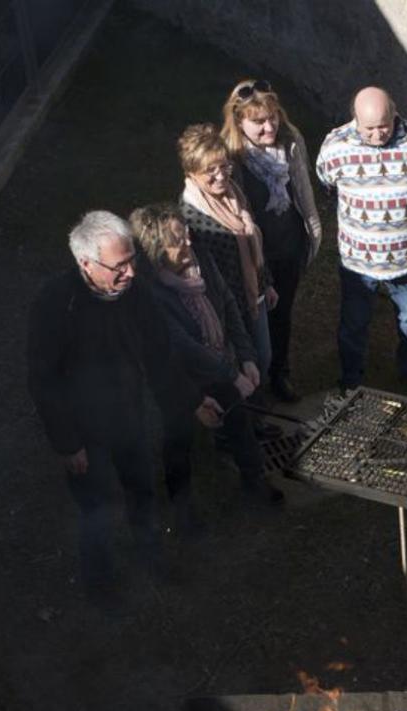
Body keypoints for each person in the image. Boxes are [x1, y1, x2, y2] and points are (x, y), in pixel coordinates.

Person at [27, 211, 220, 606]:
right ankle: (102, 587)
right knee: (95, 510)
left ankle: (151, 557)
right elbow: (43, 380)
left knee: (141, 491)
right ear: (86, 263)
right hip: (83, 430)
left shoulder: (136, 293)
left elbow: (160, 355)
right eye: (120, 265)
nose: (131, 272)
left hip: (128, 416)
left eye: (132, 260)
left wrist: (193, 399)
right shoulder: (55, 304)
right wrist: (67, 443)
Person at [130, 203, 284, 533]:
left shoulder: (199, 256)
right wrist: (232, 376)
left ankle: (253, 480)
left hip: (220, 361)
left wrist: (245, 357)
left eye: (186, 234)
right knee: (178, 438)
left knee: (238, 417)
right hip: (177, 376)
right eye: (177, 240)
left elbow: (227, 302)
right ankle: (182, 508)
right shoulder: (149, 292)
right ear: (156, 250)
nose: (188, 242)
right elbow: (181, 345)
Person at [315, 86, 407, 395]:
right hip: (359, 260)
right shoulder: (335, 147)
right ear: (355, 120)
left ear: (394, 113)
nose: (377, 134)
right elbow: (326, 183)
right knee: (354, 322)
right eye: (369, 128)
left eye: (383, 125)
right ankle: (351, 379)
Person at [221, 79, 322, 403]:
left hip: (289, 248)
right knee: (253, 321)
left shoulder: (291, 142)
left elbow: (303, 193)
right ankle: (253, 383)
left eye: (273, 117)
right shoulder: (230, 159)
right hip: (254, 257)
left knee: (283, 315)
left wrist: (310, 236)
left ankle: (280, 373)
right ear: (239, 122)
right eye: (258, 122)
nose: (269, 127)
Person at [177, 123, 277, 397]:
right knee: (243, 366)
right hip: (225, 307)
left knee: (263, 358)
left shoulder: (234, 194)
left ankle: (260, 412)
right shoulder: (191, 216)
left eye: (224, 166)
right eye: (210, 171)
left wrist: (265, 282)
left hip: (252, 296)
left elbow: (252, 240)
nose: (221, 176)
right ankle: (250, 420)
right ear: (191, 174)